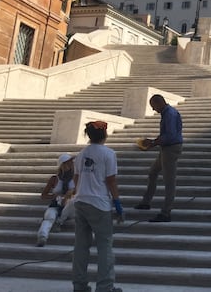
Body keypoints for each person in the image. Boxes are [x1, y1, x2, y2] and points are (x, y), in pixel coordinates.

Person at [72, 120, 124, 292]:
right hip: (99, 204)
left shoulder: (81, 154)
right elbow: (111, 180)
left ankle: (79, 285)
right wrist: (117, 203)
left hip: (80, 201)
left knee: (81, 245)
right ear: (105, 135)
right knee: (105, 246)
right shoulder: (108, 153)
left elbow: (77, 178)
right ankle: (105, 287)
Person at [134, 94, 183, 222]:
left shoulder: (170, 114)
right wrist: (154, 142)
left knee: (169, 181)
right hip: (166, 148)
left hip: (171, 149)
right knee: (153, 172)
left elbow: (170, 135)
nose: (153, 110)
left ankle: (166, 212)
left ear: (158, 103)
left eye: (153, 106)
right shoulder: (168, 113)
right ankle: (146, 202)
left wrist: (153, 143)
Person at [36, 153, 76, 246]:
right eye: (67, 163)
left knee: (72, 202)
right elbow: (43, 196)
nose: (70, 164)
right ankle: (42, 236)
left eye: (71, 162)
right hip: (56, 204)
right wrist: (54, 196)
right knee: (49, 216)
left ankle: (59, 221)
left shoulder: (76, 178)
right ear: (62, 165)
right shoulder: (54, 179)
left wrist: (70, 194)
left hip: (70, 206)